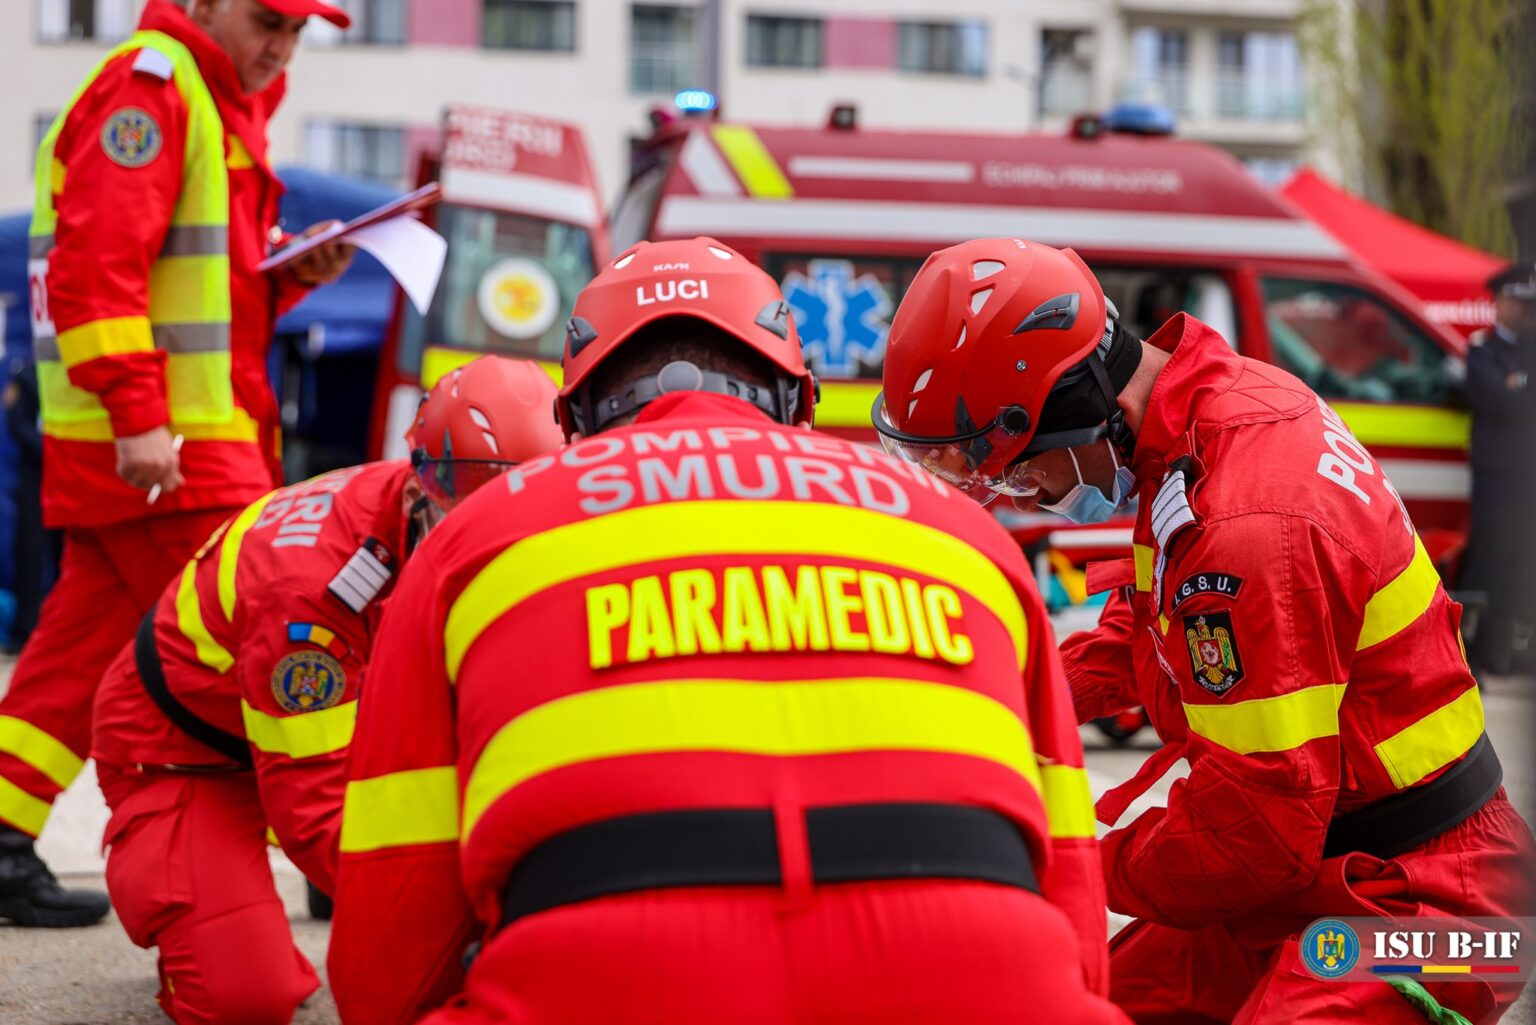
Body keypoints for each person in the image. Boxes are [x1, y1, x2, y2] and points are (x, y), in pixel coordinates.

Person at [328, 237, 1124, 1025]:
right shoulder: (967, 535)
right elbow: (1071, 881)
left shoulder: (472, 546)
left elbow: (390, 947)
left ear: (575, 416)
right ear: (798, 401)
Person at [875, 238, 1536, 1024]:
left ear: (1074, 412)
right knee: (1077, 1006)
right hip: (1319, 866)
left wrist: (1055, 860)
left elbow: (1253, 834)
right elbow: (1143, 637)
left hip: (1435, 907)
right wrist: (964, 704)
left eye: (1020, 469)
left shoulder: (1247, 521)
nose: (1022, 496)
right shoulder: (1196, 424)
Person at [0, 0, 355, 926]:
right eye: (265, 21)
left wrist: (287, 275)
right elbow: (96, 265)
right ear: (204, 4)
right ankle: (342, 852)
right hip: (175, 453)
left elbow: (192, 287)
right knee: (272, 644)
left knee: (73, 659)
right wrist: (138, 413)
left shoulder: (199, 95)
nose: (279, 46)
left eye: (297, 32)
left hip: (163, 447)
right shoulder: (155, 90)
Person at [88, 356, 562, 1025]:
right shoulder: (311, 587)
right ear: (418, 496)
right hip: (187, 755)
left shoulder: (434, 498)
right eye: (467, 535)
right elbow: (313, 804)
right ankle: (205, 910)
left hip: (336, 722)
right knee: (245, 999)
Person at [1457, 262, 1536, 680]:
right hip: (1498, 478)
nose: (1527, 313)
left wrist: (1518, 383)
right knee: (1489, 561)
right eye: (1520, 304)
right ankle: (1474, 650)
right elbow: (1494, 399)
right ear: (1500, 302)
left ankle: (1507, 649)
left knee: (1522, 563)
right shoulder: (1483, 350)